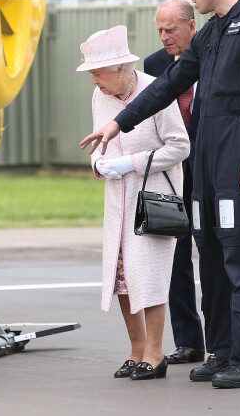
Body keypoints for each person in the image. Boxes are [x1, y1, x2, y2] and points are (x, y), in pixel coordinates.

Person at [80, 0, 240, 389]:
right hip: (205, 164)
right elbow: (168, 86)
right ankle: (222, 351)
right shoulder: (209, 37)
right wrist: (118, 122)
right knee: (209, 254)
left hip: (237, 160)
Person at [77, 24, 190, 381]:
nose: (95, 81)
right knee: (122, 277)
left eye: (98, 73)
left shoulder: (156, 91)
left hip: (153, 198)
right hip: (118, 201)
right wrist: (99, 165)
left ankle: (156, 355)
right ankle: (137, 349)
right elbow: (101, 143)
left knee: (150, 275)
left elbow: (180, 146)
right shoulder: (100, 96)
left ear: (122, 68)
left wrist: (131, 163)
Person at [145, 0, 205, 365]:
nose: (165, 37)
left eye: (171, 30)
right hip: (171, 176)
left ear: (191, 27)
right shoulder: (153, 65)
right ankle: (189, 341)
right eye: (160, 31)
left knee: (213, 257)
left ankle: (223, 343)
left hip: (210, 171)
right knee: (176, 258)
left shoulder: (212, 59)